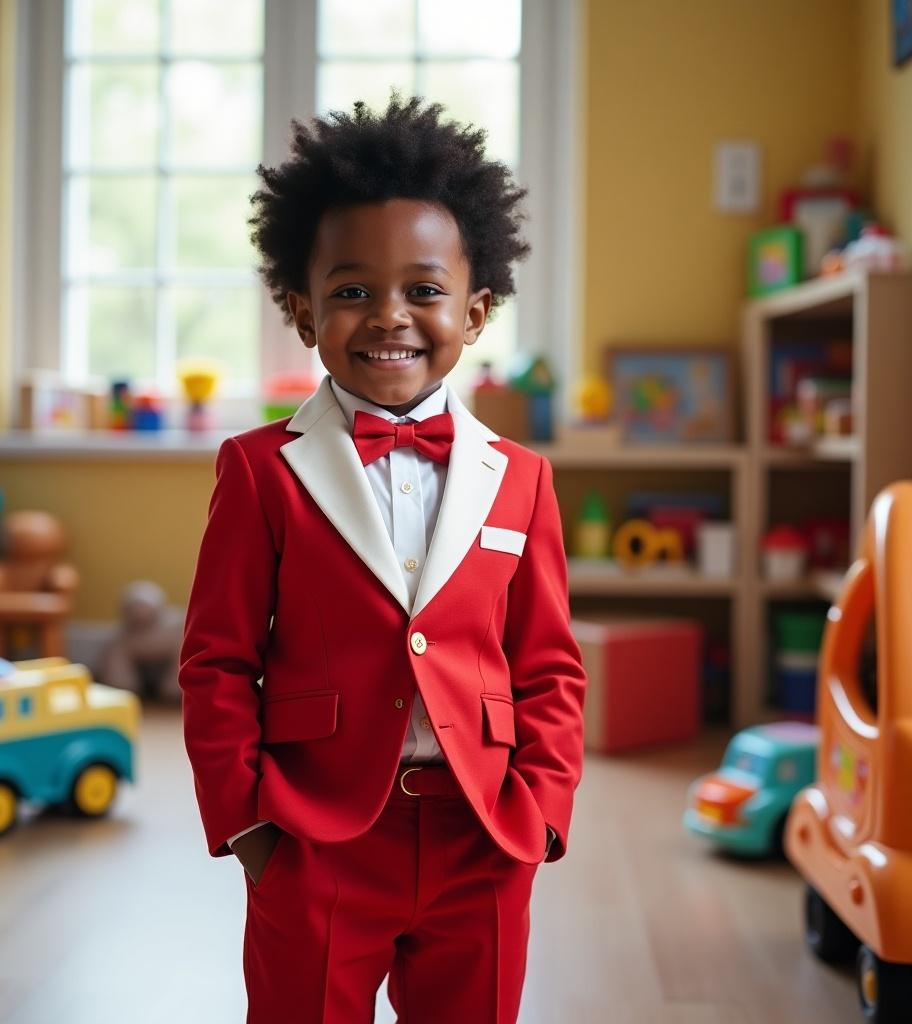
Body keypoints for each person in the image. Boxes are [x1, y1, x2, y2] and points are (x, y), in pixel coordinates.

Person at [179, 92, 587, 1024]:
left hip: (484, 830)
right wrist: (248, 824)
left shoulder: (521, 479)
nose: (388, 317)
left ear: (477, 311)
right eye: (352, 290)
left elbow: (551, 664)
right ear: (300, 307)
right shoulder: (257, 471)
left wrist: (543, 811)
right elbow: (216, 660)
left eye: (425, 290)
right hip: (312, 834)